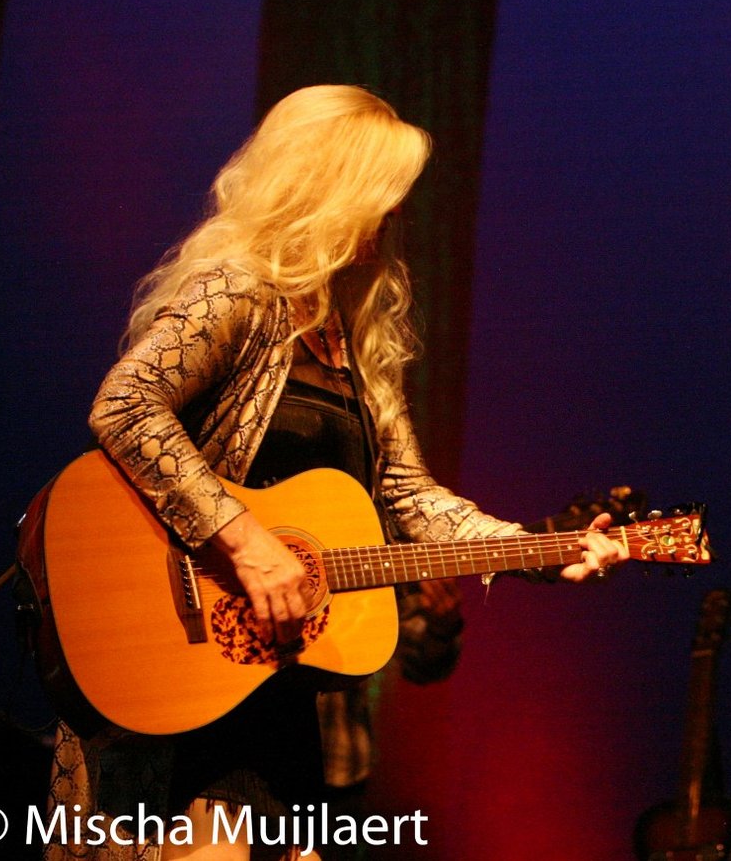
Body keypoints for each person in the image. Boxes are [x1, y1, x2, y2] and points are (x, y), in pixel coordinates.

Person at [44, 85, 625, 861]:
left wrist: (538, 551)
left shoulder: (356, 344)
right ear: (332, 189)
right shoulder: (238, 291)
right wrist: (248, 542)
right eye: (383, 193)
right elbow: (125, 405)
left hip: (277, 683)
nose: (394, 214)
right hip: (183, 660)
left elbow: (408, 495)